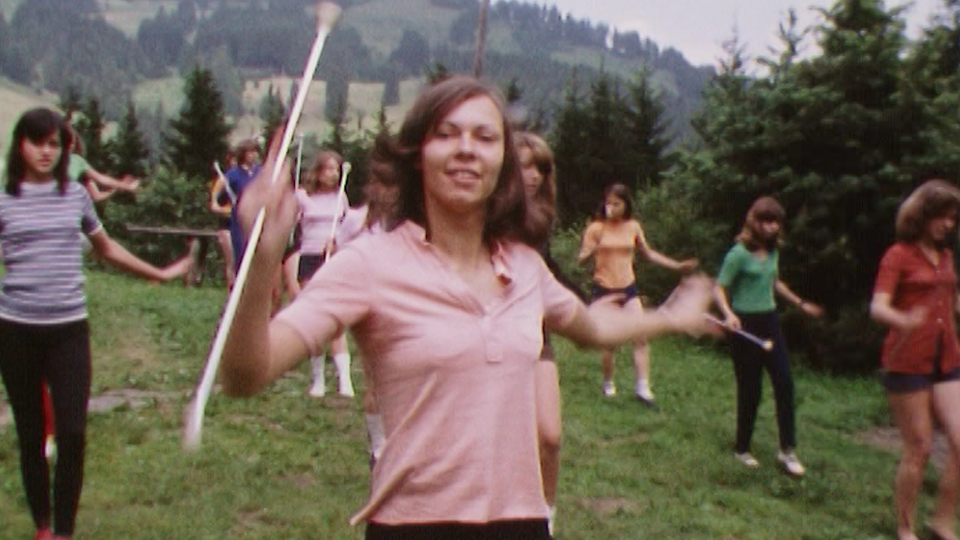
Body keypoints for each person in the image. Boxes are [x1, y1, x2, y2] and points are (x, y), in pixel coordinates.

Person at [218, 76, 712, 539]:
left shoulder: (524, 267)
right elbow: (245, 377)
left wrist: (670, 317)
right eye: (446, 134)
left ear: (504, 163)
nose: (466, 149)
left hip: (522, 522)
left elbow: (592, 328)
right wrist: (262, 262)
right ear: (417, 155)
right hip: (415, 526)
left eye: (485, 137)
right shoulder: (368, 263)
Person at [0, 107, 195, 540]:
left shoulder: (75, 196)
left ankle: (65, 532)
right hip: (15, 331)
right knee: (31, 435)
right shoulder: (4, 199)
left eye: (55, 144)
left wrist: (159, 274)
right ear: (20, 145)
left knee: (71, 432)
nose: (47, 152)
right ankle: (44, 528)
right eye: (38, 142)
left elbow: (107, 249)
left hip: (67, 329)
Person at [870, 180, 960, 540]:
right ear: (923, 216)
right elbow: (877, 307)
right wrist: (903, 319)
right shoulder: (898, 255)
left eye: (953, 219)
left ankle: (941, 522)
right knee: (919, 447)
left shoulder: (947, 258)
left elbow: (951, 304)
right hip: (906, 360)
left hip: (948, 359)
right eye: (943, 218)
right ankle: (905, 528)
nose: (949, 225)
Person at [713, 196, 822, 476]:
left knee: (784, 383)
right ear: (754, 221)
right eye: (766, 221)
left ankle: (787, 450)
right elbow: (719, 288)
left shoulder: (773, 251)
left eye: (775, 222)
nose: (771, 227)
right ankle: (742, 449)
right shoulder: (738, 254)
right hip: (744, 325)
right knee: (751, 390)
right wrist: (728, 314)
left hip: (770, 321)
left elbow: (773, 282)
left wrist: (799, 303)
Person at [578, 183, 699, 405]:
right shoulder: (596, 228)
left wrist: (676, 266)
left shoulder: (633, 226)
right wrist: (594, 248)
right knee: (610, 342)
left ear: (626, 205)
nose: (612, 207)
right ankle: (608, 383)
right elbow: (582, 258)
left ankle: (642, 387)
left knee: (641, 337)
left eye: (617, 203)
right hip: (605, 289)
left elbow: (648, 254)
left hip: (628, 287)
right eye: (609, 203)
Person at [293, 151, 354, 398]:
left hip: (333, 258)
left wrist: (337, 240)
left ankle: (345, 380)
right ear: (318, 172)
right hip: (310, 257)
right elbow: (294, 225)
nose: (334, 173)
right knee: (315, 318)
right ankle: (317, 379)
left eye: (336, 169)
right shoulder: (303, 197)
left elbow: (347, 228)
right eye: (328, 168)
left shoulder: (341, 198)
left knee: (336, 320)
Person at [210, 151, 237, 289]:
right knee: (231, 261)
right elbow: (213, 206)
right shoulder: (222, 181)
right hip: (226, 226)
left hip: (242, 225)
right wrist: (230, 211)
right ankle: (231, 292)